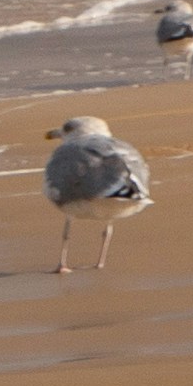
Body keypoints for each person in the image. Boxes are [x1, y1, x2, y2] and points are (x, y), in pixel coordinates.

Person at [47, 115, 151, 274]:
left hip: (81, 199)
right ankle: (99, 263)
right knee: (108, 225)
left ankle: (63, 264)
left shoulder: (66, 152)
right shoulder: (125, 148)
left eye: (66, 130)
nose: (60, 133)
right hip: (130, 197)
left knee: (68, 223)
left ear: (76, 132)